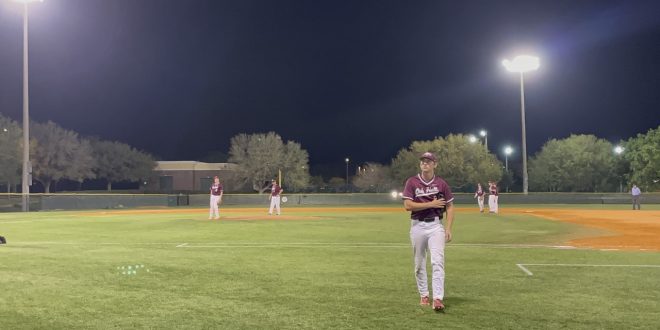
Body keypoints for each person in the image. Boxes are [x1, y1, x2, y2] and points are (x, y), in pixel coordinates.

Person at [402, 152, 454, 312]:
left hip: (435, 226)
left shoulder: (441, 184)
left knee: (437, 261)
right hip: (417, 225)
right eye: (423, 161)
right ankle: (424, 294)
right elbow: (407, 205)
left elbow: (450, 206)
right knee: (419, 264)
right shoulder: (412, 182)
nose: (425, 163)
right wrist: (431, 203)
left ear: (434, 164)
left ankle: (438, 298)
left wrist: (448, 228)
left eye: (428, 161)